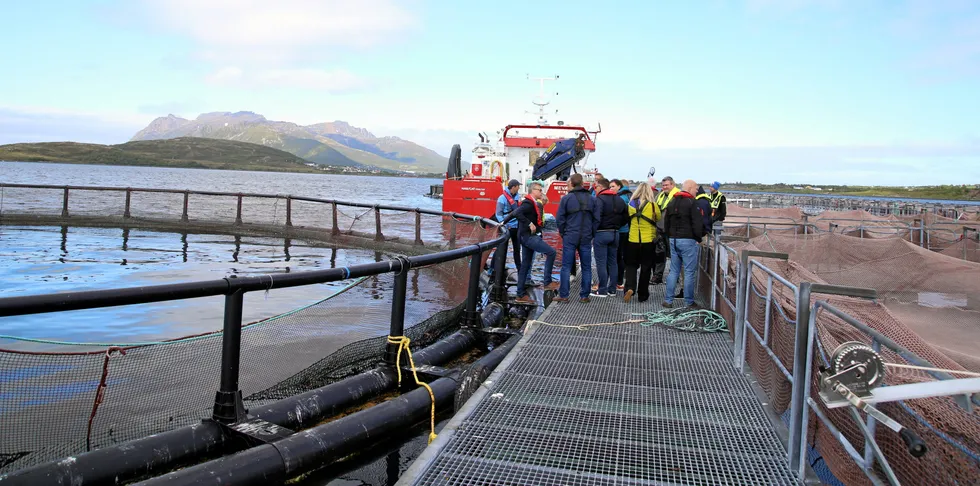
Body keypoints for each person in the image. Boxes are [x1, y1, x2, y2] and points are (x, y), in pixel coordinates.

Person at [556, 173, 601, 302]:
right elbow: (597, 219)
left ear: (572, 184)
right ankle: (584, 295)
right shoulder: (592, 199)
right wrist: (592, 233)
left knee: (566, 266)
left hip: (570, 235)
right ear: (582, 184)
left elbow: (560, 219)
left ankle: (564, 295)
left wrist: (563, 233)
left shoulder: (566, 199)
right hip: (586, 235)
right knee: (586, 267)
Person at [515, 181, 559, 303]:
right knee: (551, 252)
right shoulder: (528, 203)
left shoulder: (533, 203)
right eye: (539, 190)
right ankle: (547, 282)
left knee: (526, 264)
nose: (541, 192)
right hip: (529, 237)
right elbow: (517, 213)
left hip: (525, 236)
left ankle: (520, 294)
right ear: (533, 190)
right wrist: (529, 224)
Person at [663, 180, 705, 308]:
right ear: (690, 188)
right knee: (689, 272)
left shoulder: (672, 201)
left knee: (674, 270)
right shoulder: (692, 203)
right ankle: (688, 301)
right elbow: (697, 223)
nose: (697, 191)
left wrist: (669, 235)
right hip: (688, 240)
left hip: (673, 239)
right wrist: (699, 237)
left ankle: (668, 300)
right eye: (696, 188)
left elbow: (666, 222)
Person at [623, 183, 661, 303]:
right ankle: (642, 294)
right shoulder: (653, 205)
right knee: (646, 268)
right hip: (648, 241)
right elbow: (658, 218)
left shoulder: (631, 204)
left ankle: (630, 288)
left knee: (631, 266)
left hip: (633, 239)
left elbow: (627, 217)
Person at [592, 177, 627, 297]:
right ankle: (612, 289)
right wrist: (617, 225)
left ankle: (602, 290)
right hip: (615, 233)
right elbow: (626, 217)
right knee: (613, 262)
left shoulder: (599, 200)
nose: (595, 189)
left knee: (601, 262)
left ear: (601, 187)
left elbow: (596, 217)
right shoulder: (619, 200)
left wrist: (593, 231)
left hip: (601, 233)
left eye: (596, 187)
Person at [652, 176, 679, 284]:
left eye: (667, 185)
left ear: (672, 185)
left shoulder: (677, 197)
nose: (664, 187)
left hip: (672, 231)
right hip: (659, 229)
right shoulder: (660, 195)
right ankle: (657, 276)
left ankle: (674, 277)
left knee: (674, 255)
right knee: (659, 254)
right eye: (663, 185)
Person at [493, 179, 522, 270]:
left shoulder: (517, 198)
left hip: (516, 227)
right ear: (514, 187)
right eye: (518, 186)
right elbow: (498, 214)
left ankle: (519, 269)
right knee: (501, 249)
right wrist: (505, 225)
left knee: (517, 250)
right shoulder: (502, 198)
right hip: (507, 227)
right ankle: (493, 268)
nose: (519, 188)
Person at [610, 179, 632, 290]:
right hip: (626, 230)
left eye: (613, 186)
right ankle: (619, 280)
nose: (611, 189)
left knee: (618, 256)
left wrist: (617, 224)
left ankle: (618, 281)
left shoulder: (621, 198)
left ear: (619, 186)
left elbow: (623, 215)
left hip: (621, 230)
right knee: (621, 255)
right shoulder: (628, 195)